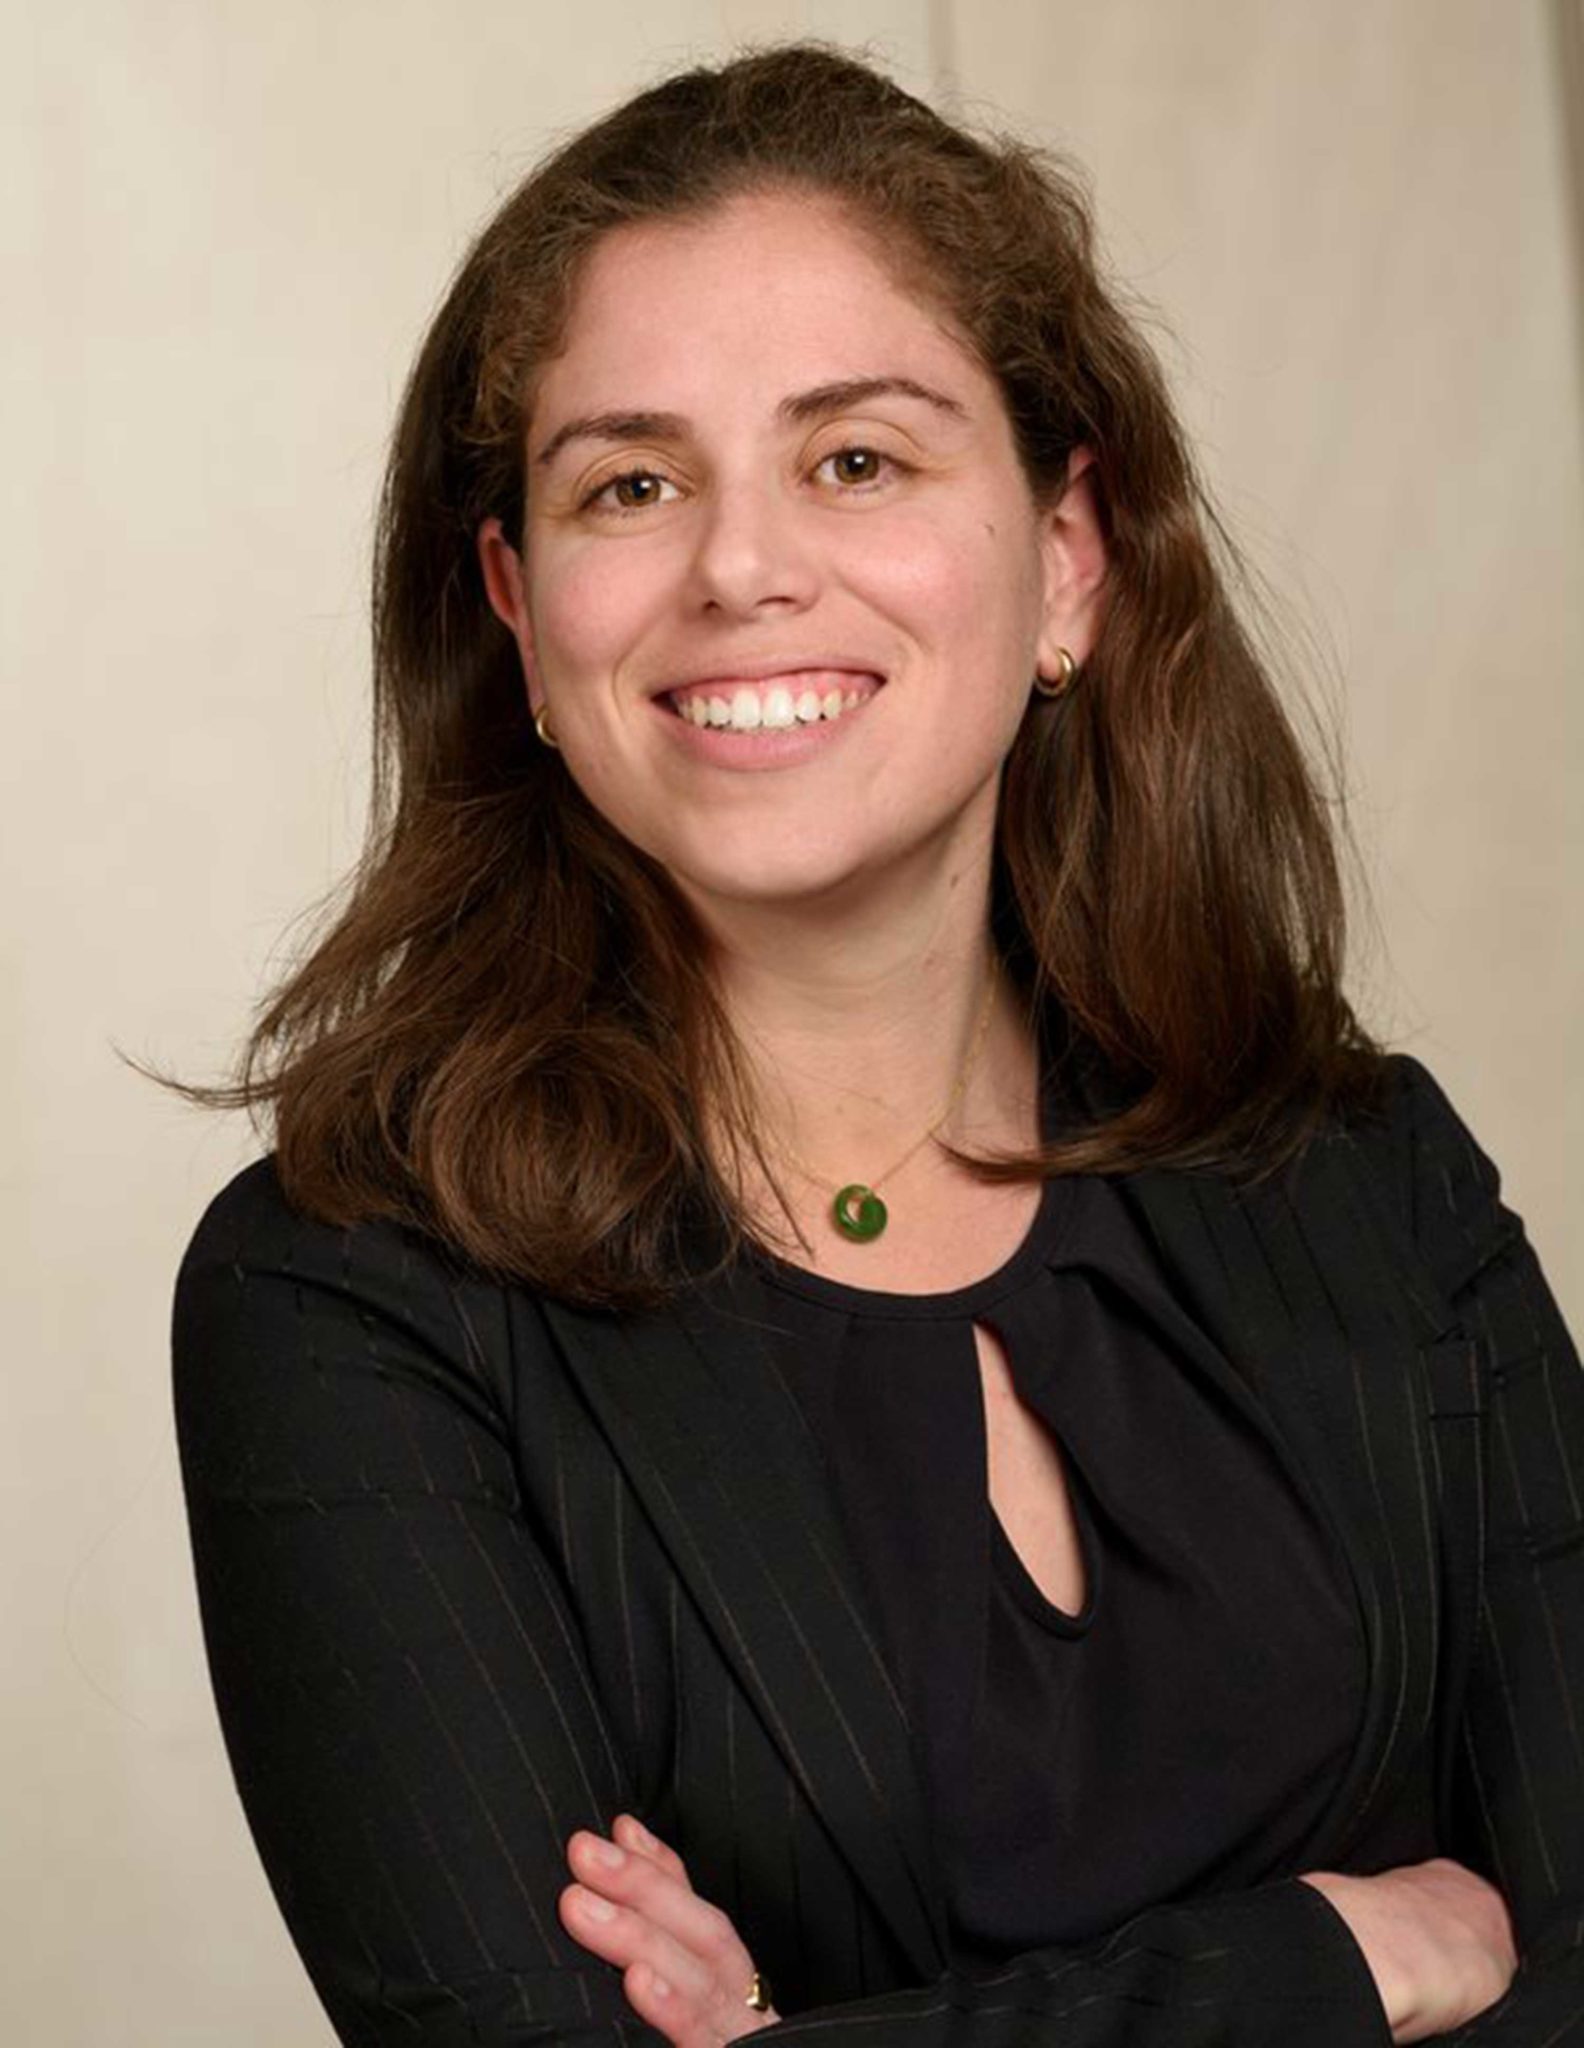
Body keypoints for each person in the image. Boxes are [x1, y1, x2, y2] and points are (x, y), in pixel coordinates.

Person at [171, 42, 1583, 2048]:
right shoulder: (346, 1305)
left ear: (1068, 555)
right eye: (632, 484)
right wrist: (1334, 1962)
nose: (741, 568)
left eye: (858, 457)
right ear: (518, 608)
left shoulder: (1368, 1173)